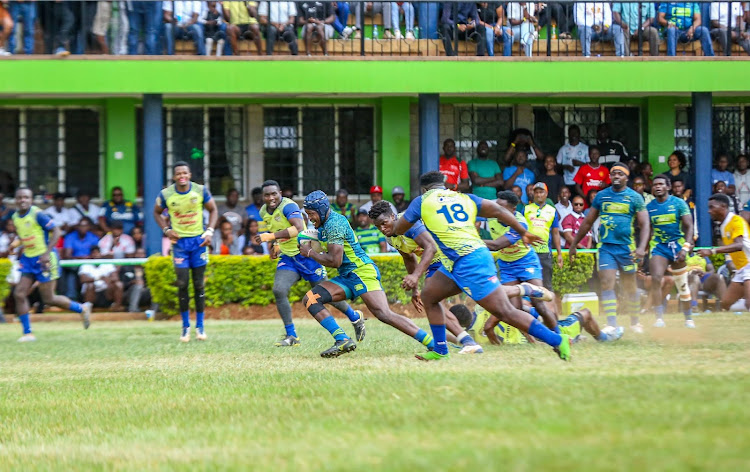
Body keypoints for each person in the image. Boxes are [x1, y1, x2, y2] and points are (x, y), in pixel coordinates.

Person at [393, 171, 571, 361]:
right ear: (444, 185)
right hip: (457, 260)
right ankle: (440, 350)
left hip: (470, 261)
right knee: (429, 295)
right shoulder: (464, 197)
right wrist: (522, 231)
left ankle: (557, 340)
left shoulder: (422, 201)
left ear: (424, 188)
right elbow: (498, 211)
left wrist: (404, 221)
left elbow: (399, 229)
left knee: (505, 311)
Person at [299, 190, 444, 358]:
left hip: (361, 271)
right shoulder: (324, 225)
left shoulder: (334, 224)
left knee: (384, 314)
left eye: (311, 214)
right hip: (347, 275)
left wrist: (310, 253)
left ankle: (432, 344)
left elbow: (335, 261)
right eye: (307, 214)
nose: (310, 218)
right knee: (311, 299)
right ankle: (342, 339)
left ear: (322, 210)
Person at [368, 200, 484, 354]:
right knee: (434, 300)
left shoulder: (408, 222)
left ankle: (460, 342)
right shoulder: (390, 237)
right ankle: (462, 342)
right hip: (436, 264)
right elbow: (409, 258)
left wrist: (416, 276)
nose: (382, 229)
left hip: (450, 255)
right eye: (378, 226)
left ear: (392, 216)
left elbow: (431, 247)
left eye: (384, 223)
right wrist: (415, 290)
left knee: (487, 297)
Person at [257, 180, 364, 347]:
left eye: (274, 193)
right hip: (289, 258)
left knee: (328, 296)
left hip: (307, 254)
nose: (271, 197)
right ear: (262, 196)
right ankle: (292, 336)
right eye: (267, 194)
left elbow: (298, 228)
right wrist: (277, 245)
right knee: (279, 289)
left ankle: (354, 316)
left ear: (280, 193)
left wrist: (270, 238)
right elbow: (276, 228)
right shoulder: (263, 211)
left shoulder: (288, 206)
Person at [570, 163, 650, 332]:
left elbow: (645, 224)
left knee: (630, 286)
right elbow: (588, 222)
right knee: (607, 283)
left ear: (626, 177)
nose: (616, 176)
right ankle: (611, 323)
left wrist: (642, 247)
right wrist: (574, 243)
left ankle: (635, 322)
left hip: (627, 248)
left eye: (620, 173)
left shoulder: (635, 197)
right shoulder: (601, 196)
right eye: (613, 173)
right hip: (606, 247)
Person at [11, 188, 91, 342]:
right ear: (15, 199)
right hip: (28, 259)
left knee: (49, 298)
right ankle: (28, 333)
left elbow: (56, 232)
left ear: (31, 199)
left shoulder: (38, 214)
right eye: (20, 197)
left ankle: (82, 308)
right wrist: (14, 245)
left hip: (44, 259)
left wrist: (46, 253)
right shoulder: (15, 216)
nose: (23, 200)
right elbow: (25, 235)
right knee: (19, 293)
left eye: (26, 197)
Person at [153, 161, 218, 342]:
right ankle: (185, 327)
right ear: (174, 177)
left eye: (185, 173)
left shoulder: (200, 191)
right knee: (182, 284)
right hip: (180, 244)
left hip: (198, 242)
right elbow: (156, 213)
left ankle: (200, 327)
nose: (182, 176)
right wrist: (166, 230)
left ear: (189, 175)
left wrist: (210, 231)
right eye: (178, 173)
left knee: (199, 285)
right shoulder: (166, 194)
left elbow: (213, 210)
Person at [486, 191, 559, 331]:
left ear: (513, 210)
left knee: (539, 303)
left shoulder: (520, 223)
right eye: (496, 207)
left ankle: (559, 335)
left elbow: (496, 245)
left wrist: (471, 242)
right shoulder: (491, 215)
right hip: (506, 265)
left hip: (526, 262)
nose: (497, 211)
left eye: (502, 209)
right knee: (513, 308)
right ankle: (531, 334)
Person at [647, 175, 695, 328]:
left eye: (661, 184)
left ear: (668, 187)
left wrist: (685, 247)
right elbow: (647, 231)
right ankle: (659, 318)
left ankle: (688, 319)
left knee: (681, 284)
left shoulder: (679, 203)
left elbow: (689, 226)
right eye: (655, 185)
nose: (657, 187)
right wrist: (642, 250)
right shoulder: (649, 207)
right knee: (656, 278)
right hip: (659, 246)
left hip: (677, 246)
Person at [697, 194, 750, 311]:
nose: (709, 211)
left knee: (748, 304)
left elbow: (739, 245)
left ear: (723, 206)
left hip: (749, 266)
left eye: (712, 207)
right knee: (726, 304)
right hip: (742, 269)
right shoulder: (723, 225)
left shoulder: (736, 220)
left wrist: (712, 251)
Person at [524, 183, 564, 291]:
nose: (538, 195)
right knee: (529, 283)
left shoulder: (552, 211)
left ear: (546, 194)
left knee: (546, 284)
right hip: (528, 251)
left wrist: (559, 253)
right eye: (536, 192)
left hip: (545, 252)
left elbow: (555, 233)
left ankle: (548, 307)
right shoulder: (526, 209)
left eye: (541, 192)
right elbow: (520, 230)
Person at [78, 246, 124, 311]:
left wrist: (108, 280)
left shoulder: (107, 264)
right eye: (94, 253)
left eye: (97, 253)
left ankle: (116, 307)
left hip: (106, 293)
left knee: (118, 284)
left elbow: (115, 277)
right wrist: (98, 278)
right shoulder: (85, 265)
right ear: (90, 255)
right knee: (90, 285)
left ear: (101, 254)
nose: (96, 255)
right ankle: (87, 309)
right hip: (92, 293)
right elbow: (83, 279)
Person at [556, 125, 589, 193]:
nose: (573, 135)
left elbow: (590, 166)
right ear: (568, 134)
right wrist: (566, 167)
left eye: (575, 133)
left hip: (582, 182)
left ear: (579, 134)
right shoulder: (563, 149)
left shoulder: (585, 148)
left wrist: (580, 164)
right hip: (568, 182)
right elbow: (556, 165)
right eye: (571, 133)